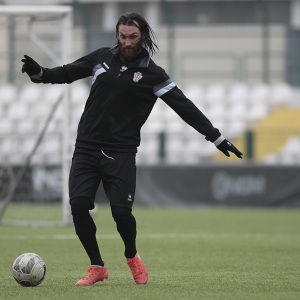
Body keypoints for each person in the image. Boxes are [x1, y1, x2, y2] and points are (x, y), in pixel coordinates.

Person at [21, 12, 243, 286]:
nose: (127, 42)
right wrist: (40, 74)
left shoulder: (153, 74)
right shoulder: (101, 57)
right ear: (118, 35)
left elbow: (184, 107)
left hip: (121, 152)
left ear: (144, 37)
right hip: (87, 147)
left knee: (121, 213)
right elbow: (67, 73)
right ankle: (97, 267)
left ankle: (131, 256)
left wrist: (216, 138)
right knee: (78, 206)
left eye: (133, 37)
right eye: (123, 36)